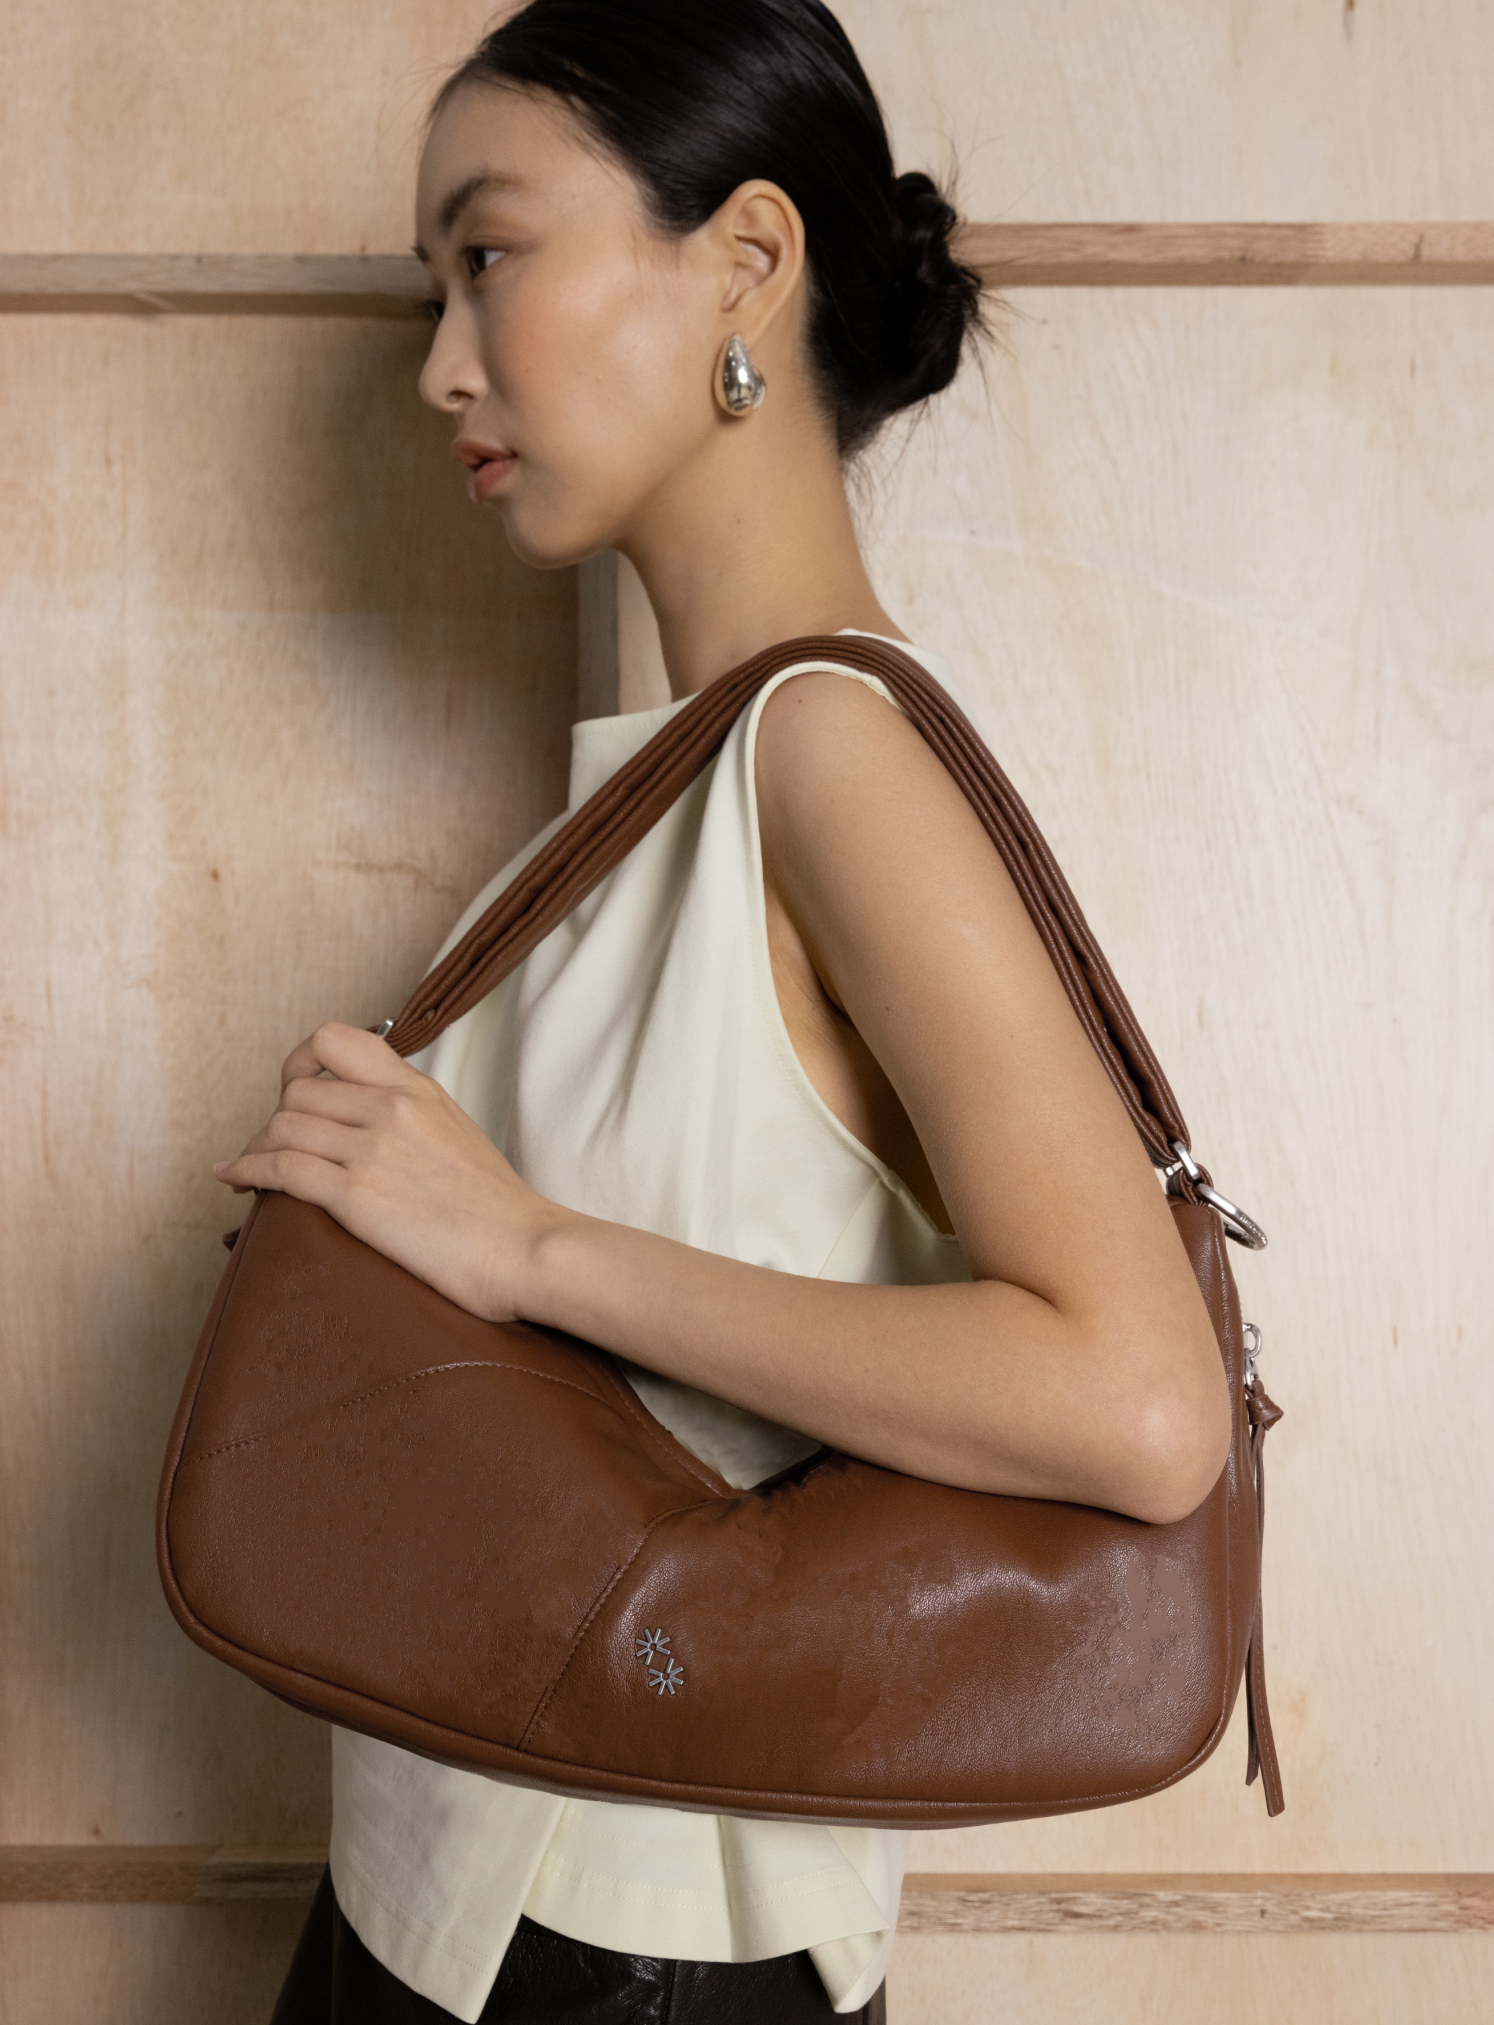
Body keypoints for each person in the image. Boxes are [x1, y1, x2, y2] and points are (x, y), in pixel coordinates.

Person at [225, 2, 1232, 2017]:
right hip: (458, 1875)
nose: (441, 363)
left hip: (624, 1942)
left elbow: (1139, 1403)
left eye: (489, 253)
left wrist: (523, 1246)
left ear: (747, 260)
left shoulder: (827, 749)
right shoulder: (669, 781)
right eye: (435, 286)